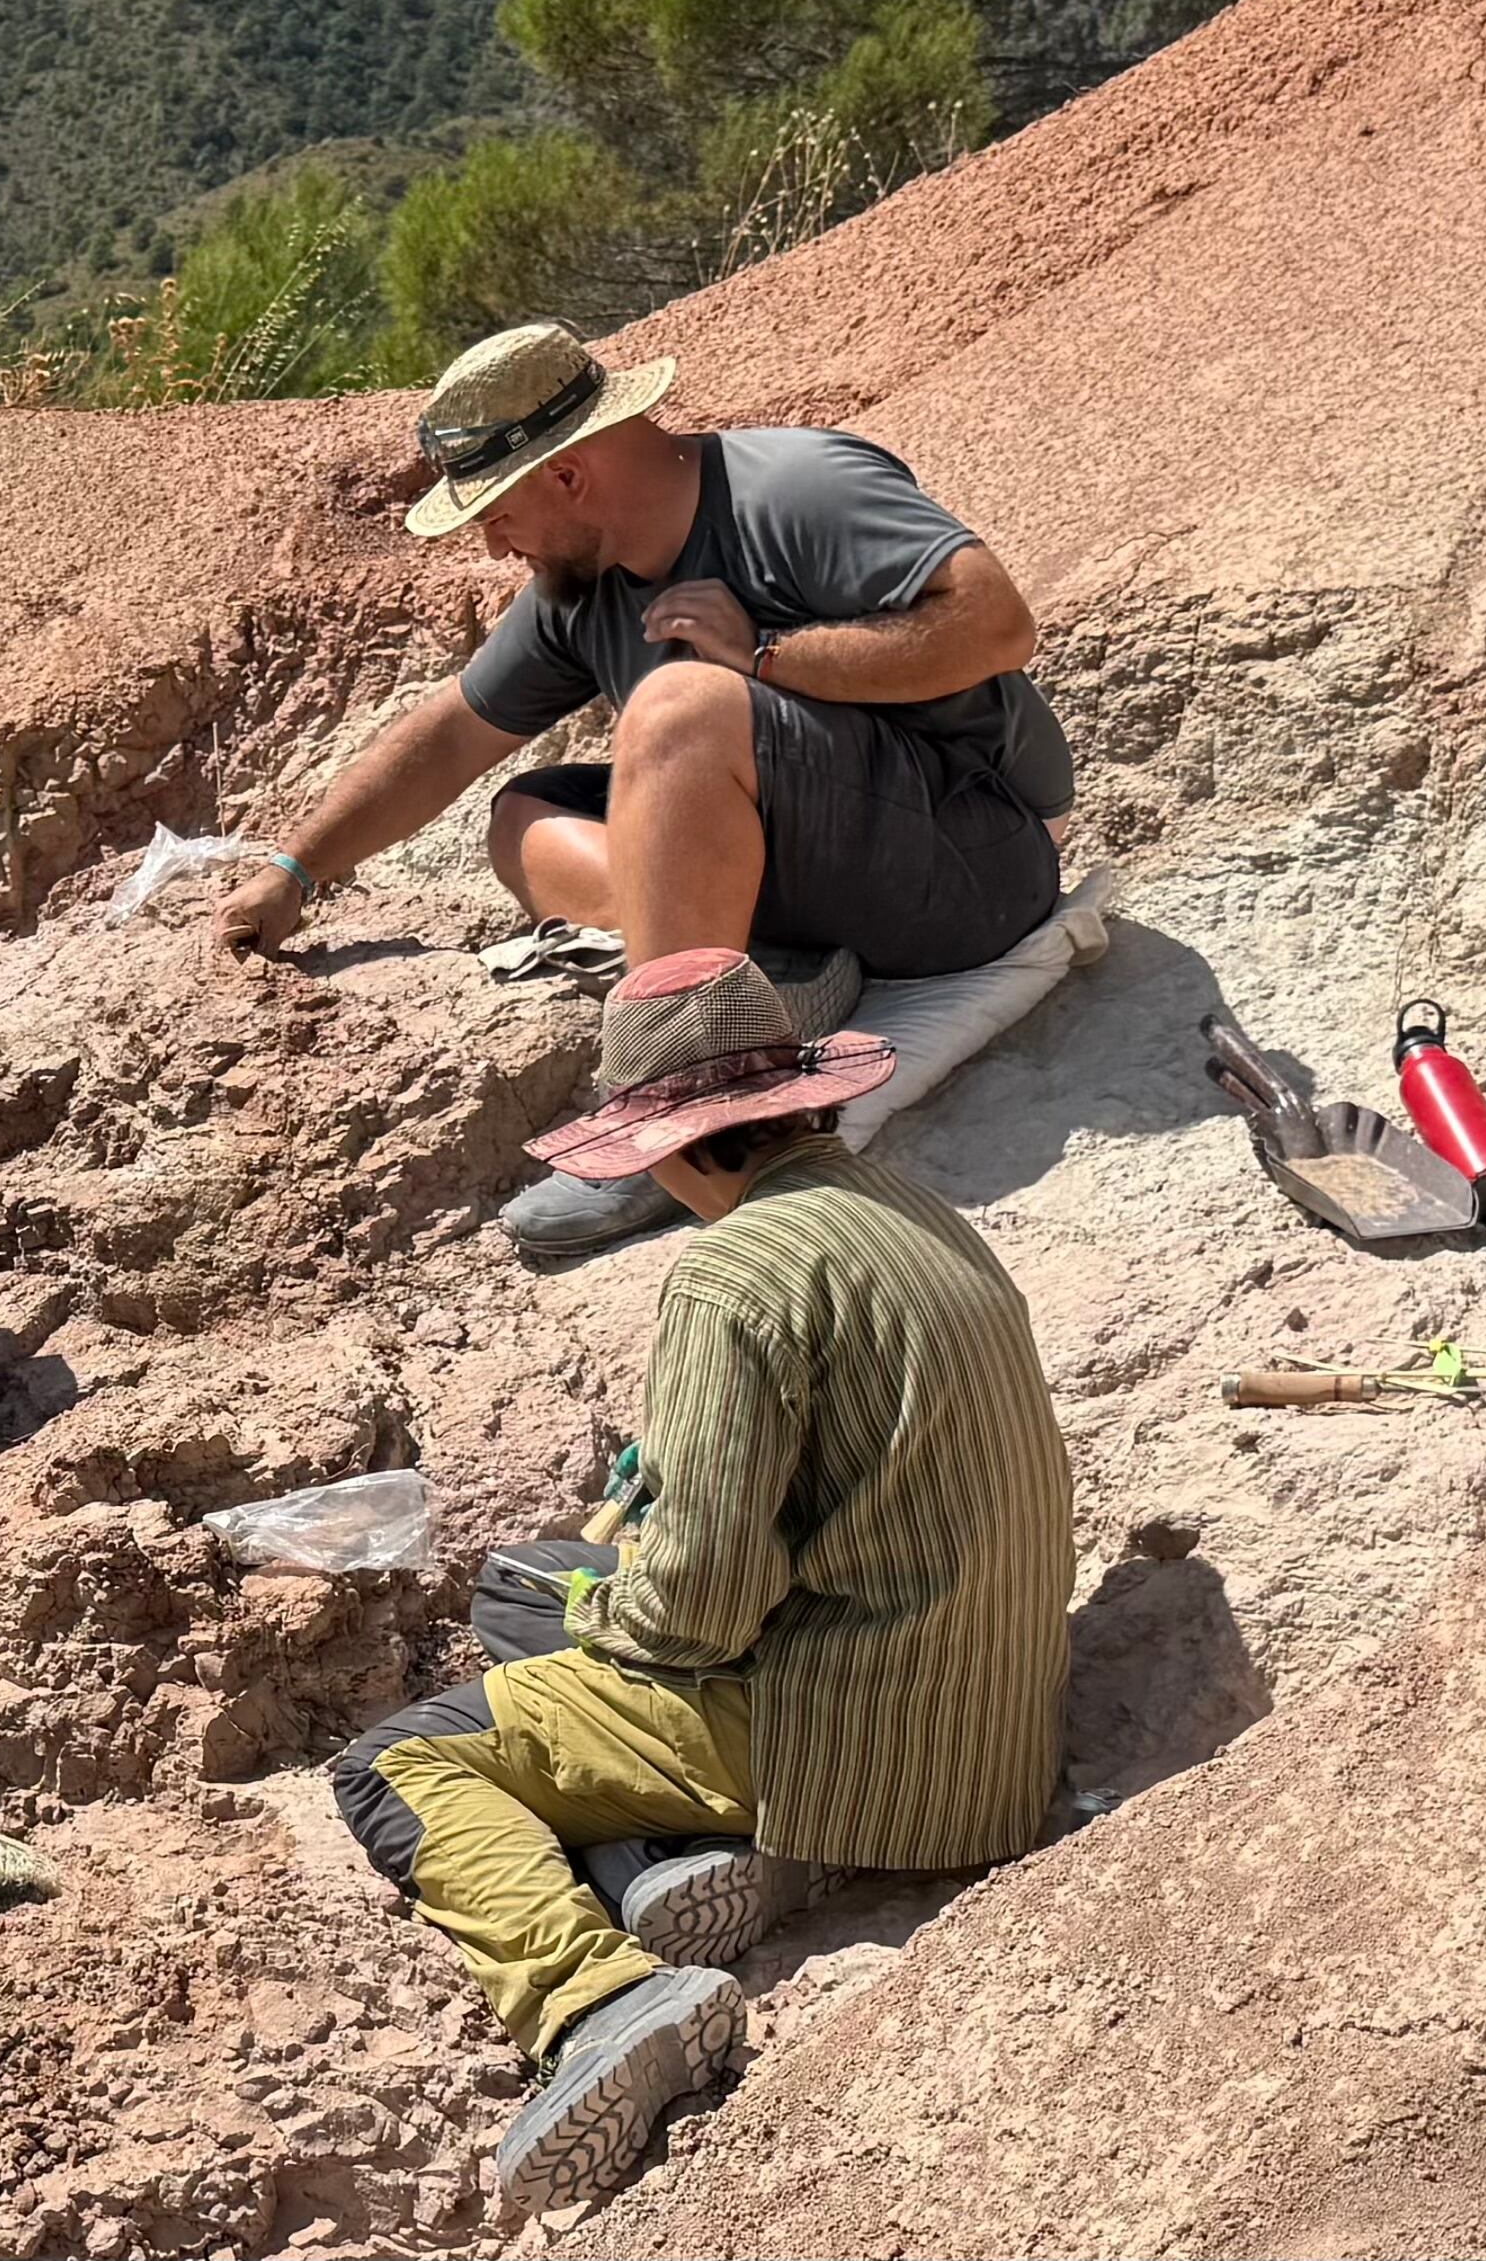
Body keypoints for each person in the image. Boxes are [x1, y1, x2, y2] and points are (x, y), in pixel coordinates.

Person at [328, 949, 1074, 2216]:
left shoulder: (729, 1280)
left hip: (846, 1724)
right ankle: (684, 1867)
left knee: (397, 1763)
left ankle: (604, 1997)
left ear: (674, 1142)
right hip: (994, 1726)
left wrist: (601, 1612)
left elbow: (694, 1611)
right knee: (521, 1586)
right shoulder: (911, 1209)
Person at [211, 321, 1072, 1267]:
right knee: (524, 819)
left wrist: (763, 659)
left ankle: (685, 1109)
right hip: (832, 870)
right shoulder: (580, 588)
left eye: (496, 512)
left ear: (568, 477)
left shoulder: (797, 492)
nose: (496, 545)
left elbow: (996, 623)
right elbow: (453, 734)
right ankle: (768, 977)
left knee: (677, 709)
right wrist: (297, 869)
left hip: (971, 866)